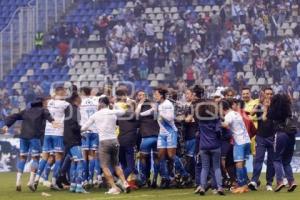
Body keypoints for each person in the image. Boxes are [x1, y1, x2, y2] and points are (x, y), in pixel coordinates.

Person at [2, 97, 57, 192]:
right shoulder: (43, 110)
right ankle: (31, 181)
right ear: (41, 103)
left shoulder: (26, 111)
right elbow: (48, 115)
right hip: (34, 137)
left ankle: (18, 182)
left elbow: (14, 116)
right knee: (35, 158)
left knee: (22, 157)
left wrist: (7, 125)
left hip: (23, 136)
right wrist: (53, 121)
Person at [81, 96, 130, 195]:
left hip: (104, 142)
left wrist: (88, 129)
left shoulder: (95, 115)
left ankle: (114, 187)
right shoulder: (113, 112)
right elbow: (124, 112)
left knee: (104, 166)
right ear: (108, 104)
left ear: (100, 103)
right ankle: (125, 183)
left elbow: (84, 127)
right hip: (114, 141)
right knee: (116, 164)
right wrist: (113, 106)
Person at [34, 86, 70, 190]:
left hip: (47, 132)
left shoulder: (48, 102)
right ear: (62, 92)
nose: (66, 93)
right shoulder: (66, 104)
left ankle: (37, 179)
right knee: (58, 158)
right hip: (58, 132)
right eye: (65, 92)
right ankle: (53, 181)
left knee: (45, 157)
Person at [153, 87, 189, 188]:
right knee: (160, 155)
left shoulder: (167, 104)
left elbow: (170, 118)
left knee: (171, 155)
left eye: (156, 94)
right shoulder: (159, 105)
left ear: (161, 95)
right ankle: (166, 177)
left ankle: (185, 174)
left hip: (170, 132)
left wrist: (160, 114)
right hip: (162, 133)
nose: (154, 96)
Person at [267, 93, 297, 192]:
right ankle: (291, 181)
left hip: (280, 134)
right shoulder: (289, 110)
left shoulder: (273, 111)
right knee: (287, 161)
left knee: (276, 159)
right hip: (291, 135)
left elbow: (268, 117)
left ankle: (280, 181)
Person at [221, 99, 251, 194]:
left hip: (239, 142)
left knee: (238, 164)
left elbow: (225, 125)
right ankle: (245, 185)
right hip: (246, 140)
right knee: (243, 164)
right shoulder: (236, 113)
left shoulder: (228, 115)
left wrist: (215, 122)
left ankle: (241, 186)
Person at [248, 87, 275, 191]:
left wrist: (267, 108)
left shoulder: (275, 106)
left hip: (272, 137)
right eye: (267, 94)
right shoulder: (259, 105)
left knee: (271, 162)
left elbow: (267, 118)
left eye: (270, 94)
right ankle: (254, 181)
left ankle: (269, 183)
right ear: (263, 94)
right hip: (260, 137)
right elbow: (251, 113)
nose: (269, 96)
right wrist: (260, 104)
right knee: (258, 160)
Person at [196, 100, 225, 196]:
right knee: (216, 167)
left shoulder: (200, 120)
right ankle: (220, 187)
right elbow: (218, 131)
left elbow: (199, 134)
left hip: (203, 146)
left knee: (205, 168)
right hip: (215, 145)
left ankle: (202, 187)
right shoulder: (216, 119)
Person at [63, 93, 88, 193]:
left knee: (74, 162)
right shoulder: (75, 110)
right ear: (77, 99)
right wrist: (82, 129)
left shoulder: (69, 109)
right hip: (73, 140)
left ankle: (73, 185)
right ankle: (79, 186)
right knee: (80, 162)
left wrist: (80, 135)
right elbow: (74, 126)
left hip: (68, 139)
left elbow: (70, 126)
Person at [135, 90, 160, 188]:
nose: (141, 96)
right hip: (154, 135)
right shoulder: (151, 105)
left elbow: (136, 115)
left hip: (148, 136)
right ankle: (151, 179)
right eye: (139, 95)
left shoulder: (141, 107)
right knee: (154, 158)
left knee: (144, 158)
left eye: (142, 95)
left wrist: (140, 105)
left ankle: (146, 179)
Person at [79, 87, 100, 187]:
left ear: (82, 93)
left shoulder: (81, 103)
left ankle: (85, 180)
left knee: (84, 156)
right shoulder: (95, 102)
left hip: (85, 130)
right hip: (95, 131)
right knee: (92, 156)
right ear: (90, 92)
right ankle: (91, 179)